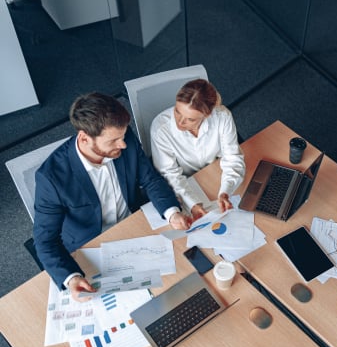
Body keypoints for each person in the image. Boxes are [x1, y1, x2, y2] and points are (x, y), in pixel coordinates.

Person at [34, 93, 191, 302]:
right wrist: (71, 278)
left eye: (123, 136)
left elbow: (150, 179)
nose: (123, 145)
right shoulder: (51, 178)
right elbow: (45, 241)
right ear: (84, 138)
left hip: (133, 226)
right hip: (90, 244)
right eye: (114, 140)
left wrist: (172, 213)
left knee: (177, 284)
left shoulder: (124, 138)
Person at [150, 78, 245, 219]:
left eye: (190, 119)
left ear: (206, 115)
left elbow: (232, 158)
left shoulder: (222, 117)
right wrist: (193, 204)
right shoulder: (161, 128)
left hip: (214, 173)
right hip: (184, 182)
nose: (180, 121)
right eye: (177, 111)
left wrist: (225, 191)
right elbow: (169, 174)